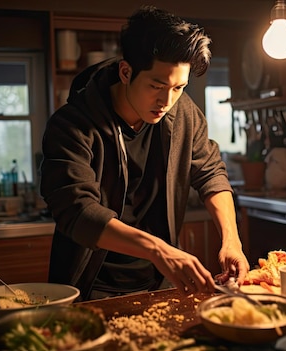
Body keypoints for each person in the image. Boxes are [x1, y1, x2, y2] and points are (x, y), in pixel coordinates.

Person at [40, 5, 250, 300]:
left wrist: (232, 240)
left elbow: (210, 172)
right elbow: (77, 210)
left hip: (160, 280)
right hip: (92, 286)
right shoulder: (71, 125)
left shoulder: (184, 112)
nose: (167, 100)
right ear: (126, 72)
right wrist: (160, 250)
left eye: (179, 87)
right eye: (157, 85)